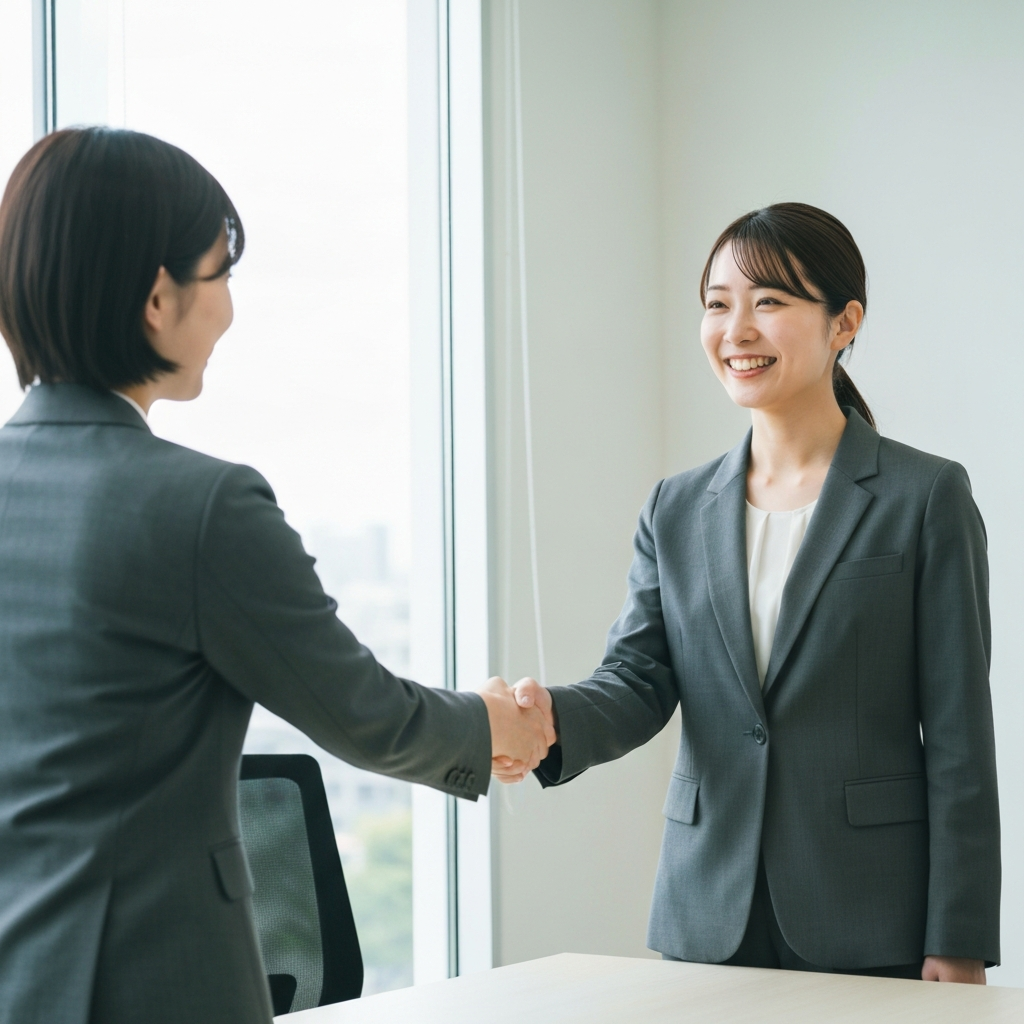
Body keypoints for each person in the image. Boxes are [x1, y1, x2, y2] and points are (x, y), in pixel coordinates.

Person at [0, 127, 554, 1024]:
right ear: (156, 299)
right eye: (219, 277)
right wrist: (495, 721)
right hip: (154, 987)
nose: (228, 311)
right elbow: (363, 712)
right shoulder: (198, 507)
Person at [498, 203, 1000, 983]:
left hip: (872, 916)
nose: (737, 329)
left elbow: (962, 737)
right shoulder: (677, 507)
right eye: (718, 304)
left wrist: (958, 936)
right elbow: (636, 682)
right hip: (707, 912)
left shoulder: (923, 496)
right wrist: (548, 721)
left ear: (844, 323)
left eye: (769, 302)